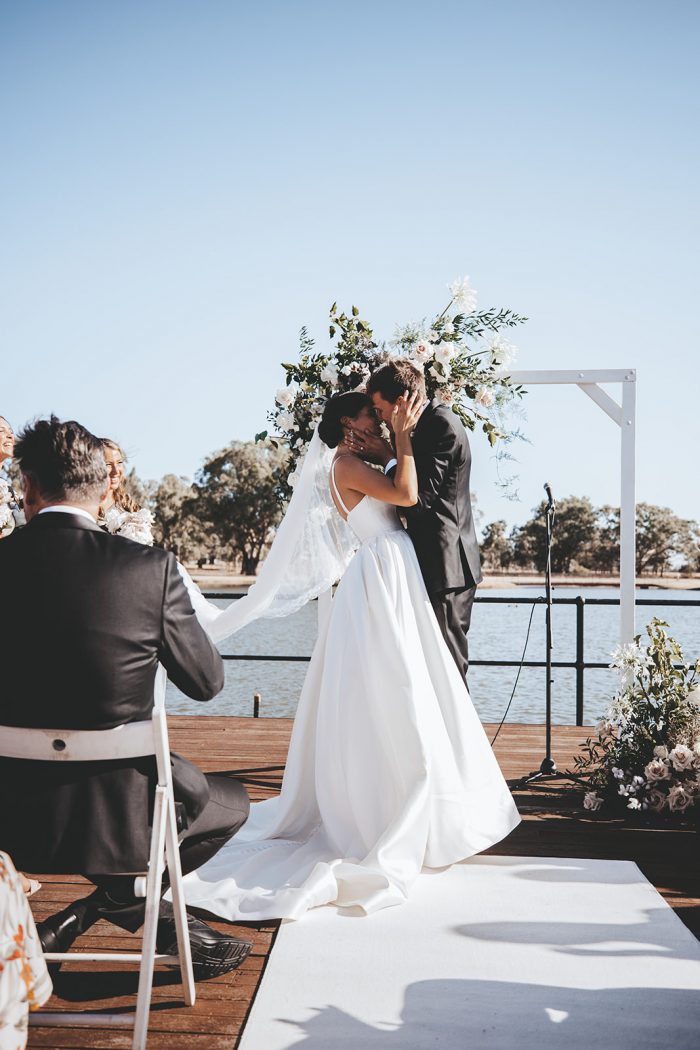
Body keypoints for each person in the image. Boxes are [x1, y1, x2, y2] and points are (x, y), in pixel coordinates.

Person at [178, 390, 519, 923]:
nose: (379, 421)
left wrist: (394, 442)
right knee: (396, 684)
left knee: (411, 680)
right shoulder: (344, 465)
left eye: (380, 415)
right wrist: (402, 434)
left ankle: (425, 798)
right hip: (382, 571)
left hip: (392, 569)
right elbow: (406, 493)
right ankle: (392, 802)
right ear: (347, 423)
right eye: (370, 415)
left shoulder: (356, 462)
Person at [0, 417, 251, 977]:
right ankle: (102, 906)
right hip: (119, 816)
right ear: (103, 491)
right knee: (232, 806)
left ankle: (86, 913)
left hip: (7, 819)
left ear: (28, 488)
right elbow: (207, 683)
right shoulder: (150, 571)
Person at [350, 358, 482, 683]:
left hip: (446, 566)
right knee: (427, 667)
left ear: (400, 402)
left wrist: (388, 455)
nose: (380, 419)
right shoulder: (421, 426)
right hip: (428, 564)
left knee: (448, 668)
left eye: (380, 410)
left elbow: (416, 502)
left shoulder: (440, 425)